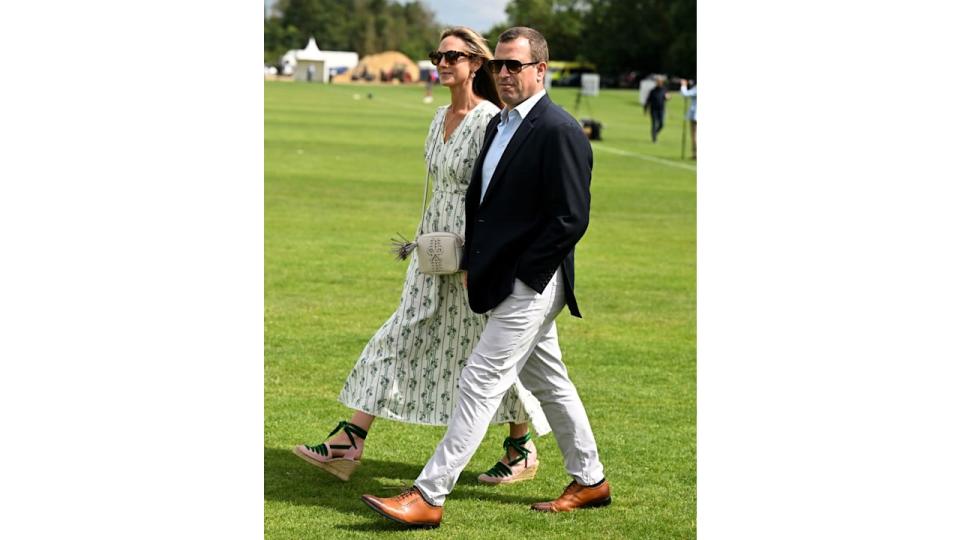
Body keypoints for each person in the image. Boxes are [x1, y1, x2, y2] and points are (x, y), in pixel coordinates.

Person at [361, 26, 610, 528]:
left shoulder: (559, 130)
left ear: (541, 70)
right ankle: (590, 480)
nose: (505, 74)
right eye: (499, 65)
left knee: (480, 379)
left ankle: (429, 494)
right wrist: (475, 265)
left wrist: (527, 277)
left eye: (514, 66)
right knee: (550, 381)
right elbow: (482, 202)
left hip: (533, 282)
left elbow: (570, 219)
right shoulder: (500, 125)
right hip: (500, 276)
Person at [293, 26, 551, 486]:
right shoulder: (437, 118)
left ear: (476, 63)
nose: (443, 63)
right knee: (400, 332)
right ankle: (350, 439)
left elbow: (493, 193)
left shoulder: (492, 120)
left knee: (488, 348)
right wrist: (420, 242)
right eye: (438, 55)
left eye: (453, 55)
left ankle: (520, 446)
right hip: (431, 250)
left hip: (472, 253)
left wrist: (478, 259)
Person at [643, 76, 669, 142]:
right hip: (653, 110)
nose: (659, 83)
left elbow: (667, 97)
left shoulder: (664, 90)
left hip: (661, 109)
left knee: (662, 124)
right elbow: (648, 101)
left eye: (660, 82)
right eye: (658, 82)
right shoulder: (652, 91)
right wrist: (645, 109)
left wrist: (668, 97)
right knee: (654, 124)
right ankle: (654, 138)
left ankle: (655, 133)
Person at [680, 78, 697, 159]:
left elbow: (685, 94)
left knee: (694, 135)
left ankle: (695, 154)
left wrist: (683, 85)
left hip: (696, 115)